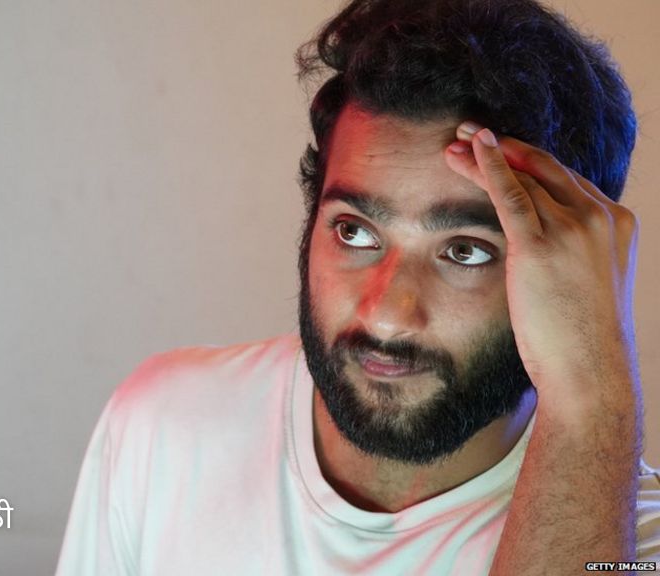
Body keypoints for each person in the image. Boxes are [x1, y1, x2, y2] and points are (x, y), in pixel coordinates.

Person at [56, 0, 660, 573]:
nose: (387, 314)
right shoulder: (164, 427)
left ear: (575, 267)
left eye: (464, 250)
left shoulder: (631, 544)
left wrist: (595, 396)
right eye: (355, 231)